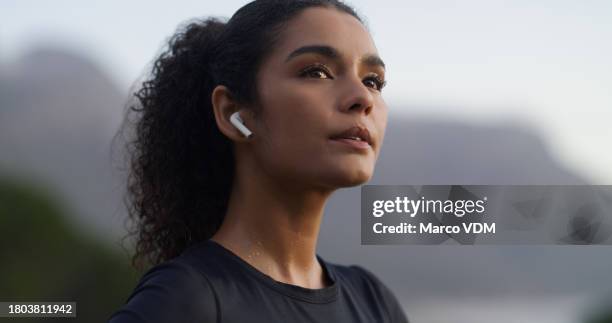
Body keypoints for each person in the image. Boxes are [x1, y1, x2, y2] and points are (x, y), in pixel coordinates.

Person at [109, 0, 408, 322]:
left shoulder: (373, 302)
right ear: (233, 113)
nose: (363, 98)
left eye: (373, 81)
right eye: (317, 72)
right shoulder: (188, 299)